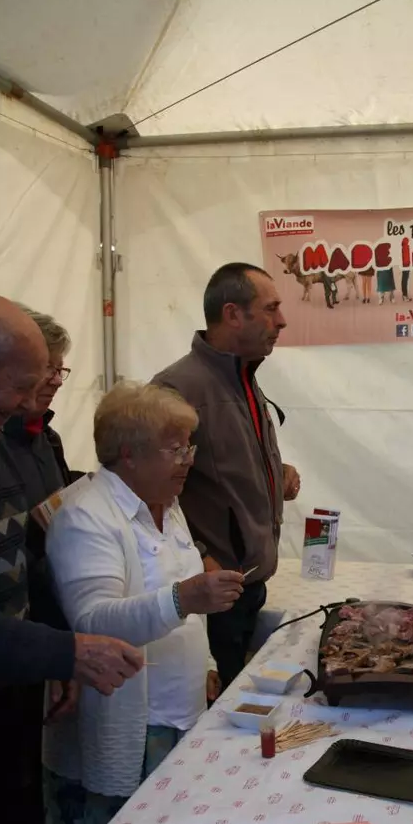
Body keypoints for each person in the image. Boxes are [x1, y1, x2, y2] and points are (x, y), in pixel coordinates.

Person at [0, 296, 142, 824]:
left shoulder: (11, 438)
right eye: (26, 382)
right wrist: (64, 650)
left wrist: (54, 654)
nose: (35, 397)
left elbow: (29, 567)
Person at [44, 382, 246, 824]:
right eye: (175, 449)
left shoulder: (166, 502)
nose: (187, 461)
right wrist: (186, 596)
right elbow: (92, 622)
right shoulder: (86, 514)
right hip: (131, 723)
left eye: (189, 447)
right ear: (128, 455)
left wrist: (209, 664)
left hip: (179, 714)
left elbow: (183, 595)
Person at [152, 263, 296, 688]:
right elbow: (149, 495)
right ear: (233, 314)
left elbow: (222, 466)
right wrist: (198, 552)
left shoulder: (246, 378)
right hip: (213, 594)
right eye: (271, 309)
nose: (282, 321)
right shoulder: (176, 391)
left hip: (248, 585)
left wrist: (275, 472)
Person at [2, 307, 77, 824]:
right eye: (35, 377)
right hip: (20, 644)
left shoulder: (38, 435)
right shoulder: (7, 435)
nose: (48, 387)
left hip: (23, 644)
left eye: (53, 372)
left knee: (23, 786)